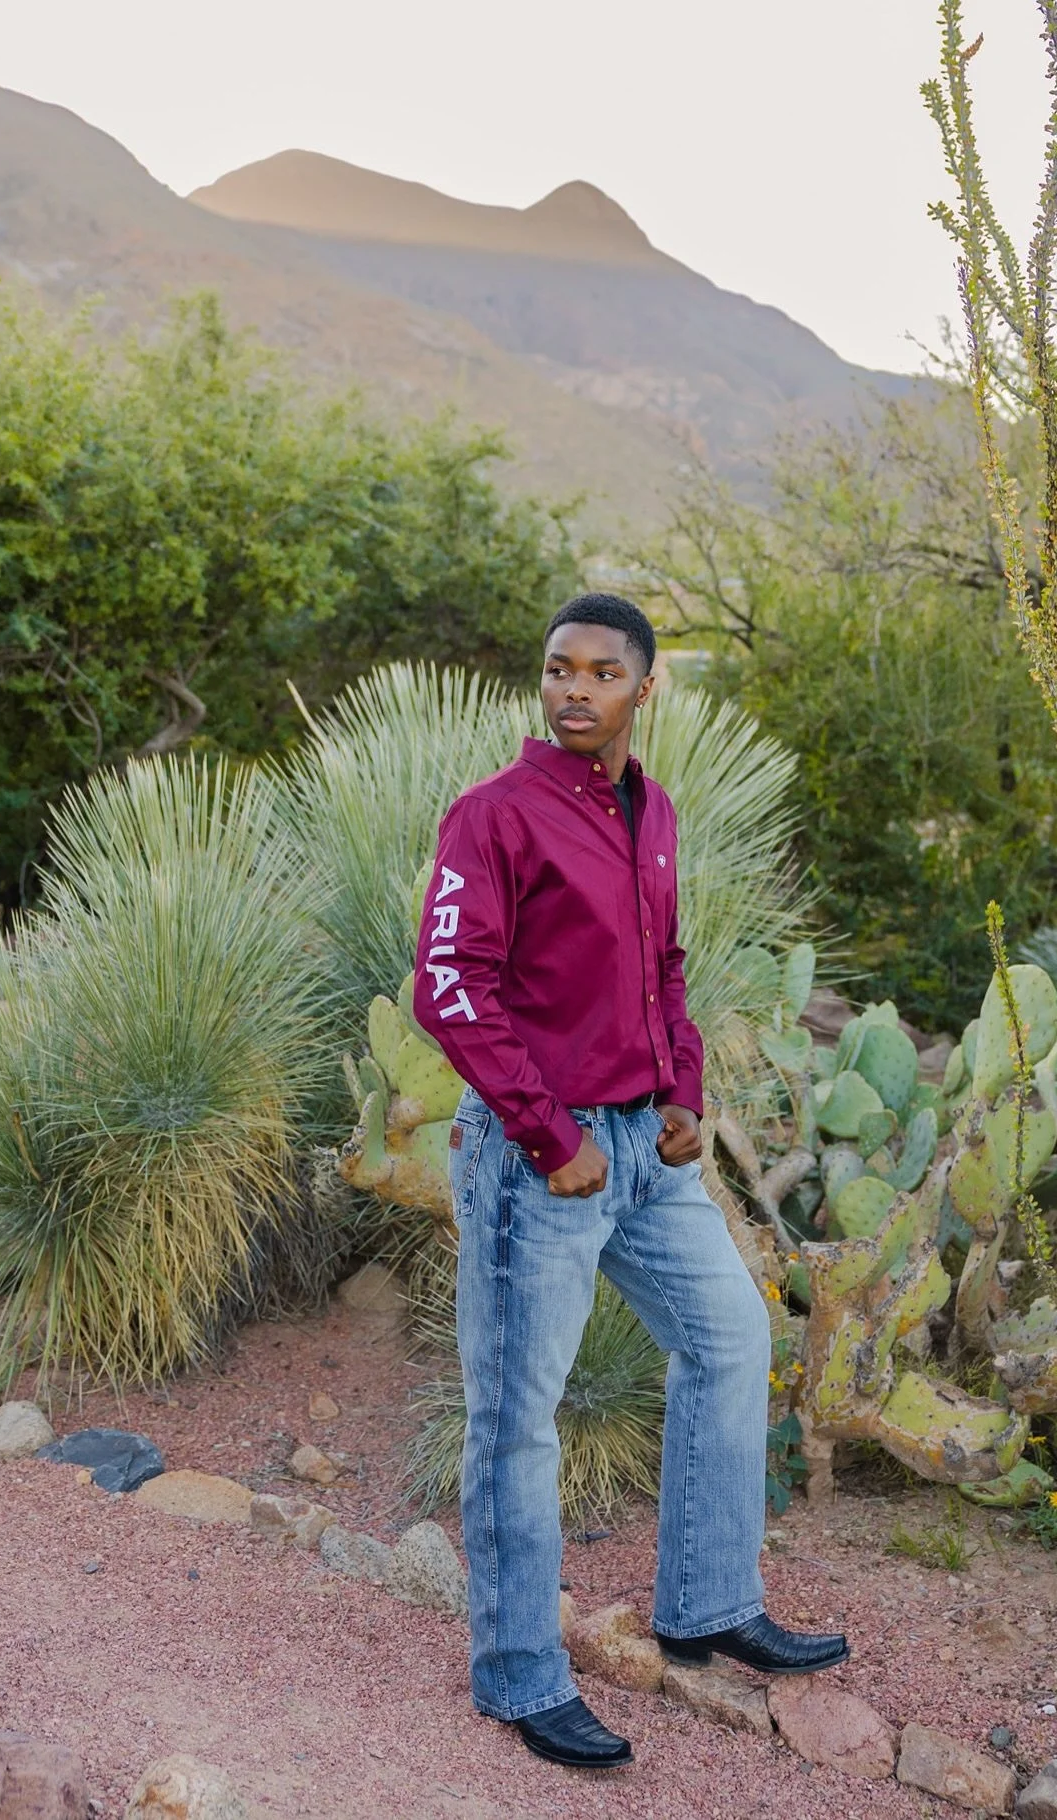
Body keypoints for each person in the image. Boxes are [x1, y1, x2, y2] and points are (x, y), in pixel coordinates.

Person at [413, 593, 847, 1770]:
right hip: (536, 1160)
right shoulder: (494, 816)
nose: (576, 688)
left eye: (603, 672)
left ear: (643, 689)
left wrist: (683, 1092)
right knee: (519, 1417)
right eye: (560, 667)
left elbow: (665, 966)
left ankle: (706, 1604)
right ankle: (518, 1673)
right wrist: (550, 1133)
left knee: (731, 1336)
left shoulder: (651, 809)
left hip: (645, 1154)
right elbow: (448, 986)